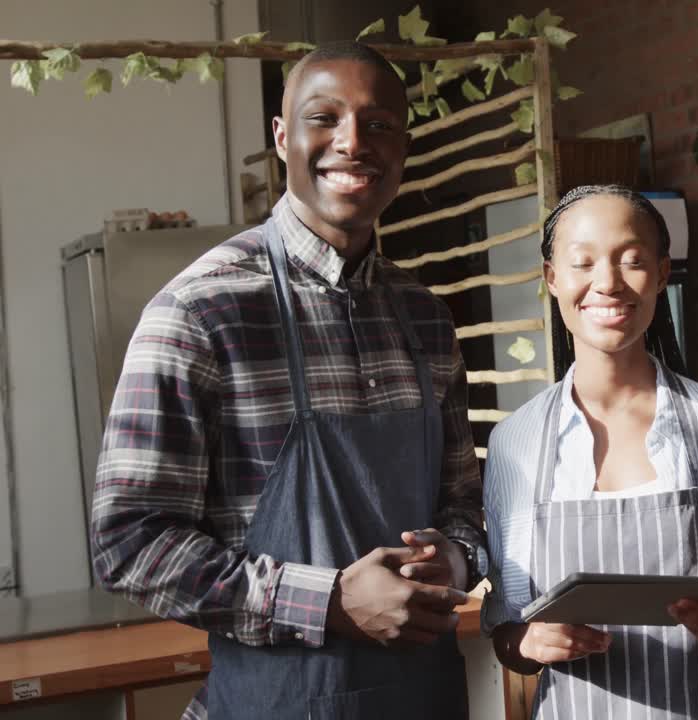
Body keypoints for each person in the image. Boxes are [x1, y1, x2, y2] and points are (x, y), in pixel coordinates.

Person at [91, 42, 487, 719]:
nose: (352, 142)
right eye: (323, 117)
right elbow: (130, 540)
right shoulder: (202, 311)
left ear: (404, 144)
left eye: (379, 124)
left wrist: (451, 559)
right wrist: (329, 601)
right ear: (282, 137)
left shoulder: (425, 319)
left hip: (423, 700)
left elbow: (464, 508)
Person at [481, 185, 698, 718]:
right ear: (553, 279)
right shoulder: (516, 444)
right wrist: (529, 644)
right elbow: (506, 630)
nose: (607, 283)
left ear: (663, 274)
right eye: (582, 263)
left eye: (632, 261)